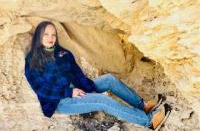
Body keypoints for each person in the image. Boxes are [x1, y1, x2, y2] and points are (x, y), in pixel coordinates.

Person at [24, 21, 170, 130]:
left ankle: (142, 106)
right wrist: (69, 92)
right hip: (60, 101)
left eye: (53, 34)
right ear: (39, 36)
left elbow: (76, 73)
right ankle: (148, 122)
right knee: (101, 101)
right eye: (46, 34)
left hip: (75, 89)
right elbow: (42, 90)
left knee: (109, 80)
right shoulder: (32, 60)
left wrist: (88, 87)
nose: (50, 38)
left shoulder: (61, 52)